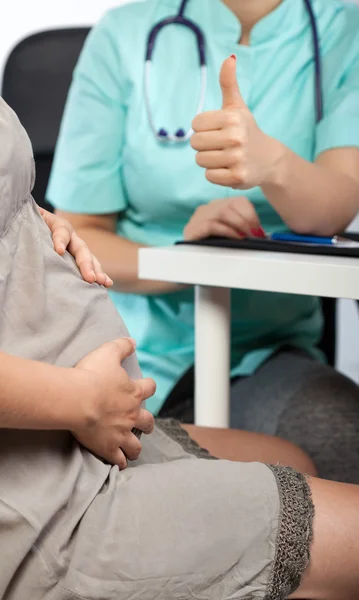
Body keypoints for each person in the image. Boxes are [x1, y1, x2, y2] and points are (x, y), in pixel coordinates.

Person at [2, 94, 359, 600]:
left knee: (292, 455)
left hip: (82, 428)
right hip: (44, 480)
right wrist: (85, 400)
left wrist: (30, 217)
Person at [47, 0, 359, 482]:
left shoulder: (346, 29)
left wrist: (273, 163)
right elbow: (77, 233)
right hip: (126, 349)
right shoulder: (125, 34)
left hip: (264, 354)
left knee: (338, 434)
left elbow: (337, 208)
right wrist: (182, 257)